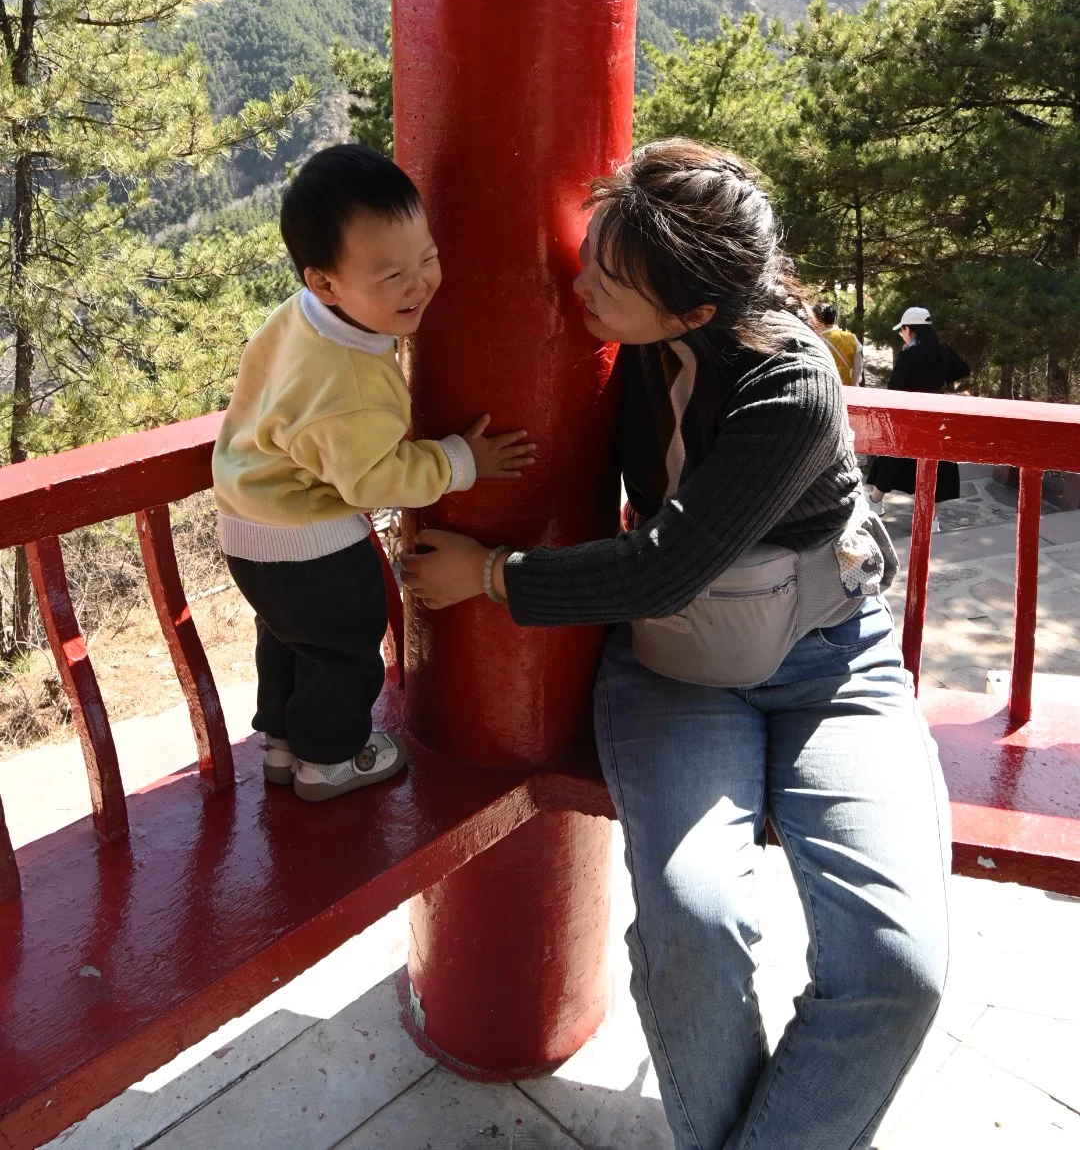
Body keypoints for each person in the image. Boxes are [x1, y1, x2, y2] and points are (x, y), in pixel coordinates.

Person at [402, 140, 951, 1150]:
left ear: (694, 311)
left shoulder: (790, 390)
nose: (581, 283)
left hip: (831, 666)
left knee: (896, 964)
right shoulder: (630, 345)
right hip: (674, 670)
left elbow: (663, 564)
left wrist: (489, 576)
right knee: (695, 926)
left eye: (609, 278)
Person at [212, 144, 534, 802]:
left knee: (290, 637)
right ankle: (330, 761)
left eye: (429, 258)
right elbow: (374, 480)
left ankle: (281, 742)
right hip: (309, 544)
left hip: (247, 525)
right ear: (325, 282)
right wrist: (460, 460)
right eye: (392, 277)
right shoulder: (351, 385)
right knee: (345, 650)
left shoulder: (302, 319)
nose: (420, 284)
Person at [866, 305, 970, 515]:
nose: (901, 335)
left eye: (902, 330)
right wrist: (941, 381)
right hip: (936, 417)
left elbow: (894, 389)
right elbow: (963, 369)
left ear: (909, 329)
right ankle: (931, 519)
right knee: (936, 464)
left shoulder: (908, 357)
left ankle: (875, 503)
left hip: (909, 418)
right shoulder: (944, 351)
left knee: (893, 459)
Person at [809, 301, 863, 386]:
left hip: (821, 388)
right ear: (834, 319)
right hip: (844, 388)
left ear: (815, 319)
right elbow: (857, 370)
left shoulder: (811, 339)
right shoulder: (851, 338)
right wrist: (853, 386)